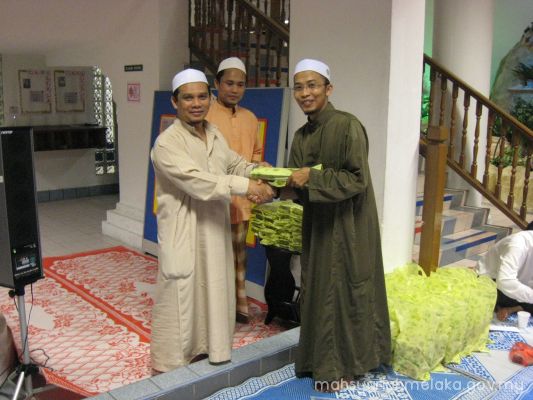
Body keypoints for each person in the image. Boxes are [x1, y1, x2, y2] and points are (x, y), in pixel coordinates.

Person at [150, 68, 274, 373]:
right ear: (175, 102)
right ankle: (168, 367)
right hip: (184, 231)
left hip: (215, 227)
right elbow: (199, 181)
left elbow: (233, 164)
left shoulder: (214, 133)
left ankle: (211, 353)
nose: (196, 103)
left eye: (202, 96)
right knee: (180, 297)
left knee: (215, 290)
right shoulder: (167, 143)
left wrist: (260, 171)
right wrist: (247, 186)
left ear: (210, 97)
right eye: (188, 98)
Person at [285, 59, 391, 391]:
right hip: (318, 227)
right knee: (318, 290)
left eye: (312, 85)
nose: (305, 93)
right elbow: (297, 184)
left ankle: (349, 365)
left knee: (347, 291)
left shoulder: (348, 126)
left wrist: (312, 177)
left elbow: (357, 179)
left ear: (328, 89)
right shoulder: (301, 136)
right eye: (299, 87)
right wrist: (275, 184)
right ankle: (317, 360)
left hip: (349, 226)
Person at [206, 57, 265, 323]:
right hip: (212, 202)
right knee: (213, 259)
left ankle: (238, 307)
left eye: (240, 84)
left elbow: (255, 155)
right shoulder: (205, 115)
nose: (234, 89)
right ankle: (214, 311)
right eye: (229, 83)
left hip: (241, 203)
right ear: (217, 83)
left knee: (239, 256)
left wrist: (260, 174)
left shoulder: (250, 118)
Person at [476, 221, 533, 321]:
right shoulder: (518, 243)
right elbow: (504, 282)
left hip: (518, 289)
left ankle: (512, 309)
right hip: (492, 283)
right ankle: (507, 307)